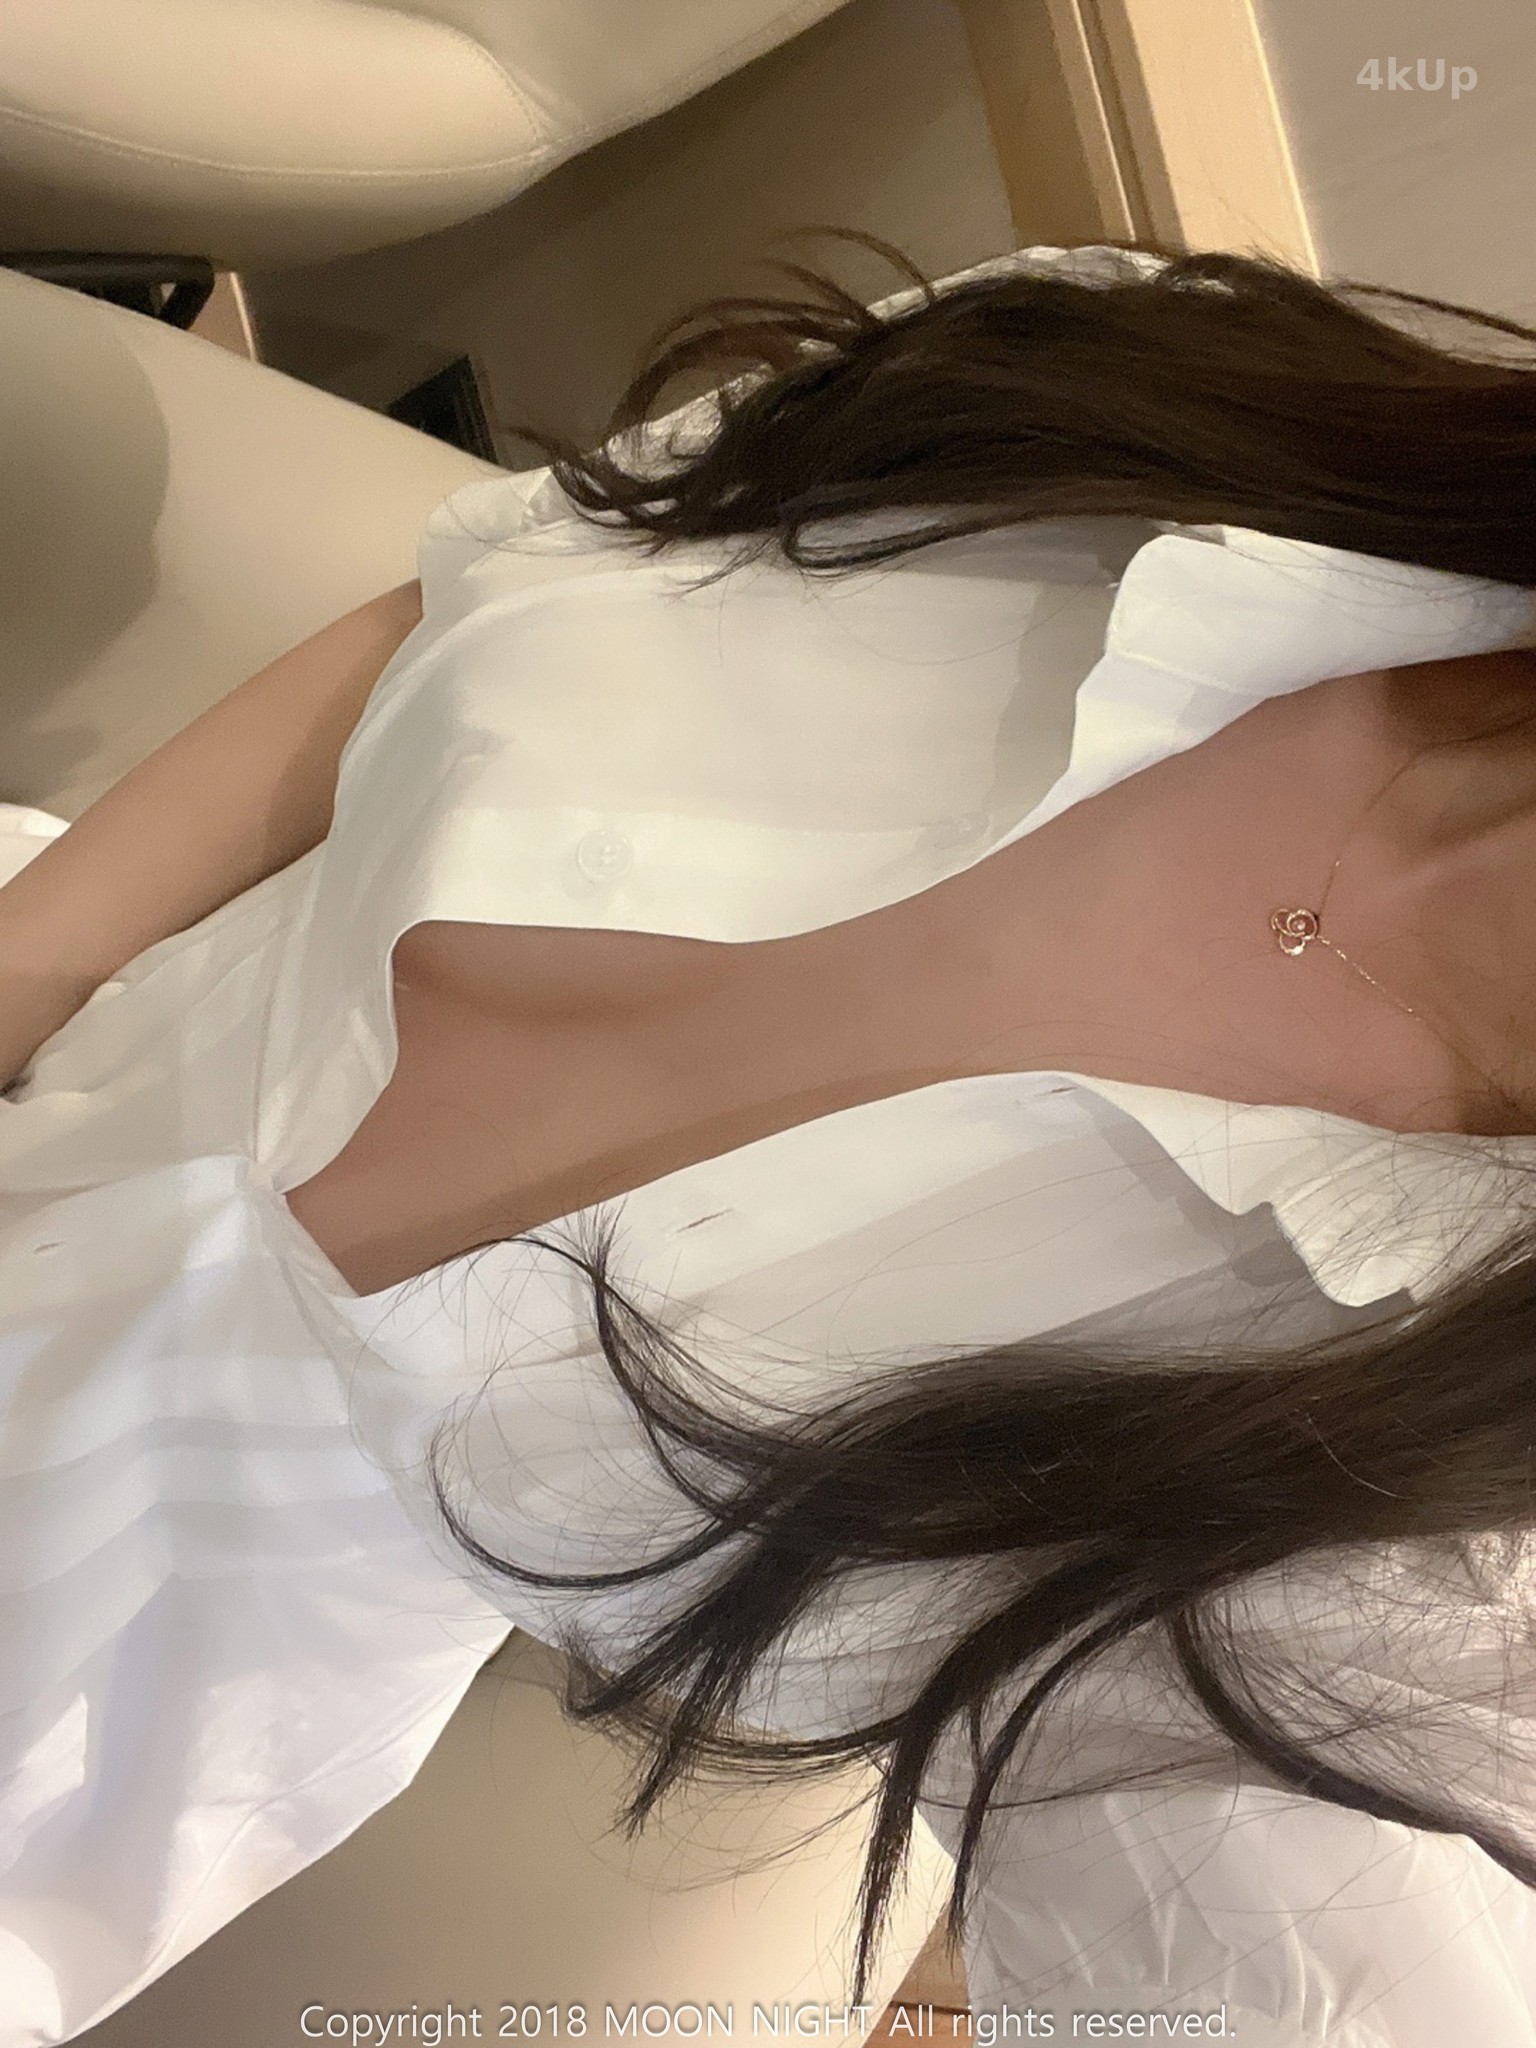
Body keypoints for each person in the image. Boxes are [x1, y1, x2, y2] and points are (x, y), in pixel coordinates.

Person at [3, 228, 1536, 2046]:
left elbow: (1320, 1939)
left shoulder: (1419, 1505)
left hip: (89, 1642)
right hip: (77, 1023)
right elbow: (473, 596)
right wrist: (26, 978)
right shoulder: (1188, 399)